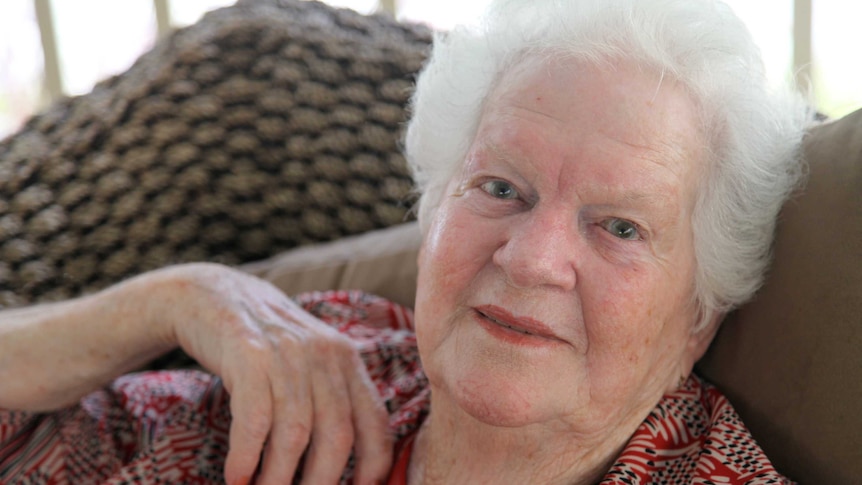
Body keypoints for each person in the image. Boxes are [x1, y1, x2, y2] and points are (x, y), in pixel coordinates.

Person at [0, 0, 811, 483]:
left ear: (698, 315)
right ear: (432, 212)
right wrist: (177, 299)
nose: (529, 258)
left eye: (621, 227)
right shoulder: (325, 367)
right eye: (500, 188)